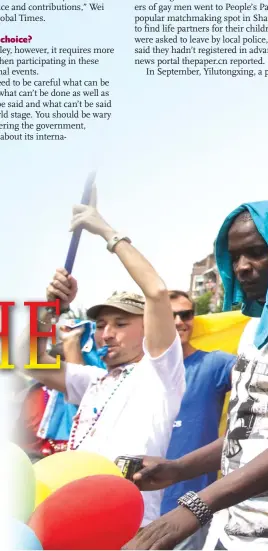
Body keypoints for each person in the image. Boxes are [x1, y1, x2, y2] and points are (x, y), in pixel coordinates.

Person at [126, 201, 268, 550]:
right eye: (235, 257)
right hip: (234, 530)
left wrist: (197, 505)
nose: (242, 267)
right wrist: (178, 469)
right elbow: (252, 431)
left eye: (256, 253)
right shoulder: (254, 332)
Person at [16, 188, 185, 527]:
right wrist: (51, 308)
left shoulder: (159, 373)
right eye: (102, 325)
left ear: (148, 328)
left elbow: (155, 290)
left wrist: (105, 231)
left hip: (127, 524)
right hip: (70, 516)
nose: (107, 334)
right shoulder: (92, 379)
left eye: (121, 324)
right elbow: (18, 358)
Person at [160, 290, 235, 550]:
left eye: (187, 314)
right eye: (171, 316)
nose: (180, 321)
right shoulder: (132, 372)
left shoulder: (214, 364)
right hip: (132, 511)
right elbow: (37, 365)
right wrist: (45, 309)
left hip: (187, 514)